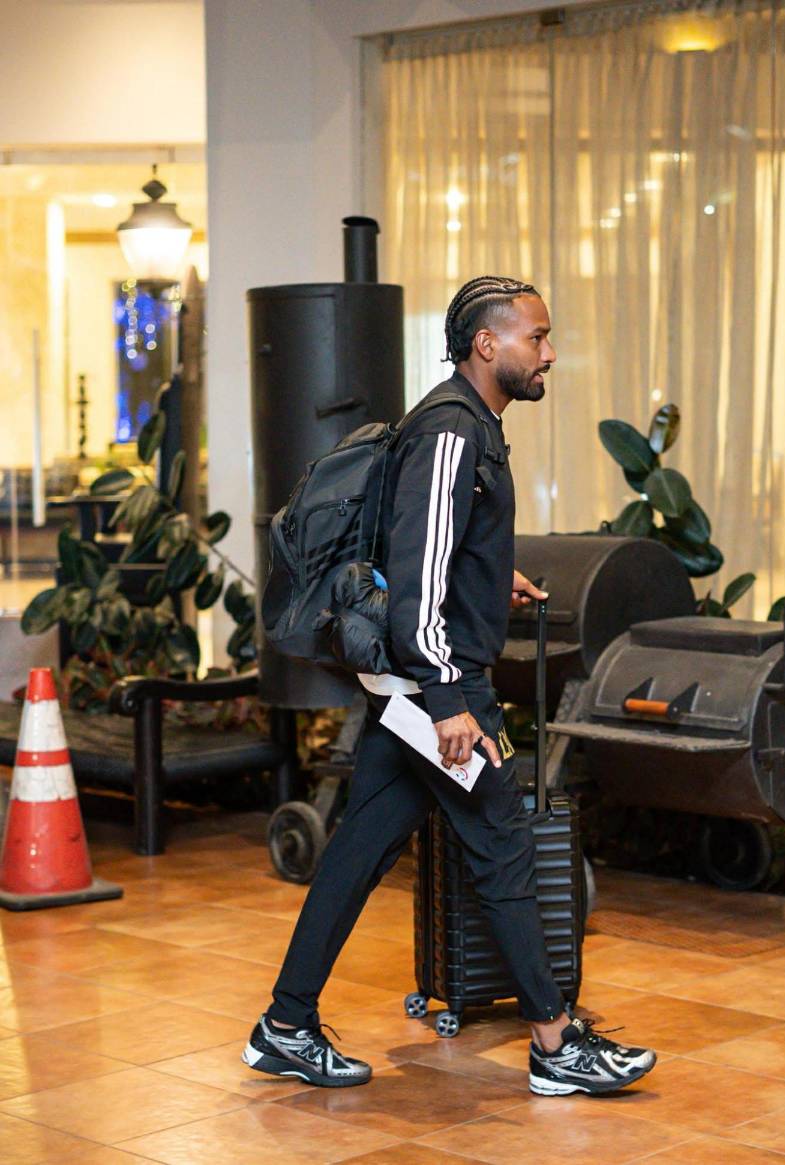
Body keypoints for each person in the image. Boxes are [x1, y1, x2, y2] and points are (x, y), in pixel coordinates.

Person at [243, 276, 657, 1097]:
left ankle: (285, 1024)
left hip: (419, 683)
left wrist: (491, 580)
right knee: (501, 841)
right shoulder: (451, 434)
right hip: (430, 687)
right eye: (537, 337)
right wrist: (448, 700)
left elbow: (436, 555)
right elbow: (415, 578)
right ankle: (554, 1042)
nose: (549, 353)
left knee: (360, 849)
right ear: (487, 345)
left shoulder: (469, 428)